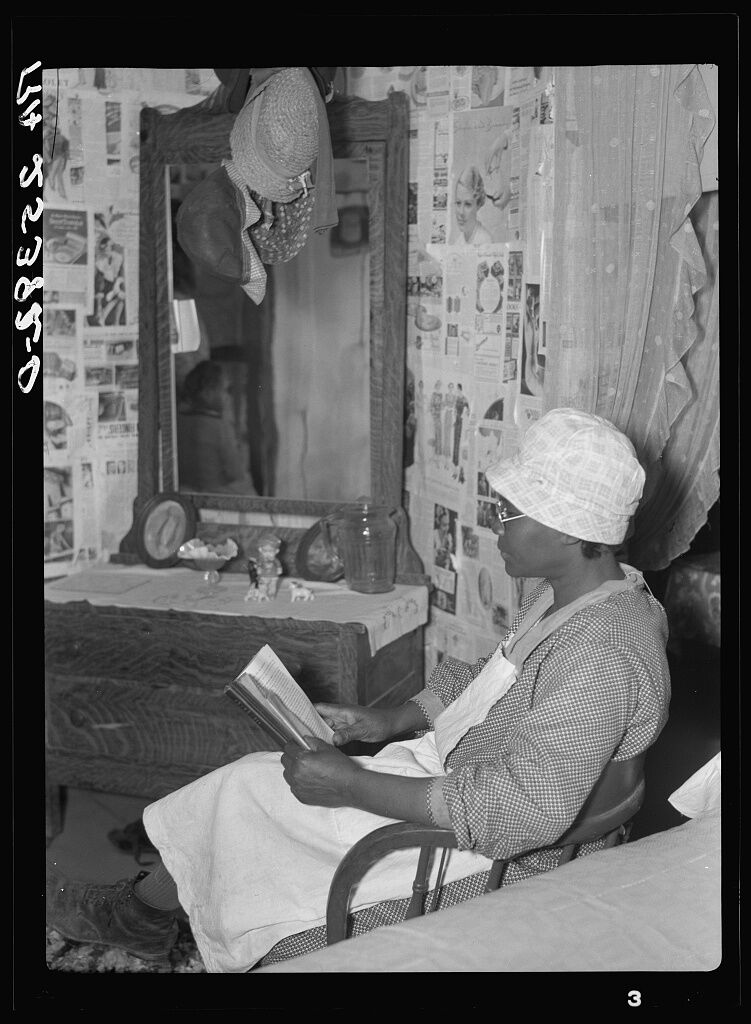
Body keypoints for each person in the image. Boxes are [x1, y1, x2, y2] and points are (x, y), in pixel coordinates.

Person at [47, 408, 670, 972]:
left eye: (509, 512)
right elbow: (492, 678)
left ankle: (142, 914)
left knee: (256, 803)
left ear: (566, 529)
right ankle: (142, 911)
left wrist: (352, 783)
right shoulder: (575, 598)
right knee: (251, 782)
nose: (496, 525)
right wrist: (389, 720)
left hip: (490, 848)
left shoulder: (601, 654)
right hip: (463, 771)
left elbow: (520, 814)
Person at [176, 360, 256, 495]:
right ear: (208, 393)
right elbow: (236, 473)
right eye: (225, 390)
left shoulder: (177, 420)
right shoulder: (219, 427)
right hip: (213, 497)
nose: (227, 397)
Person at [451, 166, 492, 246]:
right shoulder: (459, 241)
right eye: (458, 203)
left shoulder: (485, 241)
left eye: (468, 204)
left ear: (478, 205)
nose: (461, 212)